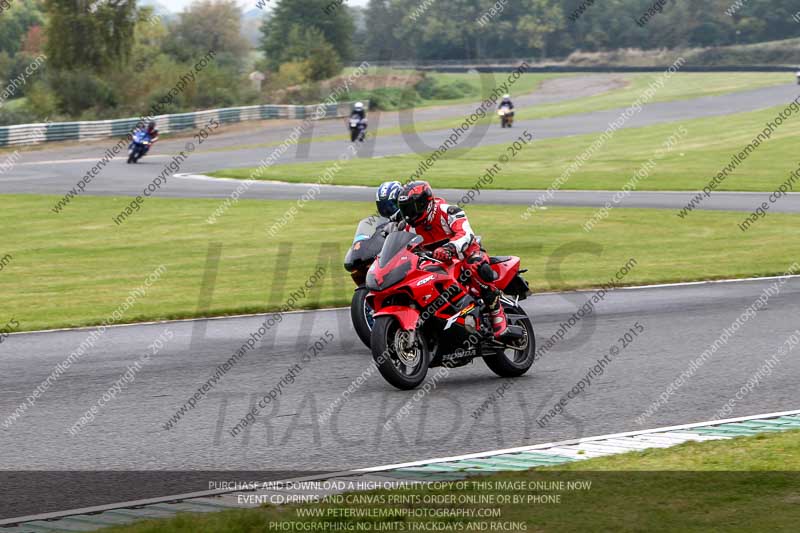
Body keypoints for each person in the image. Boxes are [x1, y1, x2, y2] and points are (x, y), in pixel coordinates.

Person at [397, 181, 508, 338]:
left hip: (465, 256)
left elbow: (466, 234)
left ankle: (496, 313)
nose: (409, 214)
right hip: (437, 266)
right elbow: (403, 250)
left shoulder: (448, 211)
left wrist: (449, 248)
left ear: (425, 203)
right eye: (405, 209)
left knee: (475, 266)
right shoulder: (408, 228)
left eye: (411, 208)